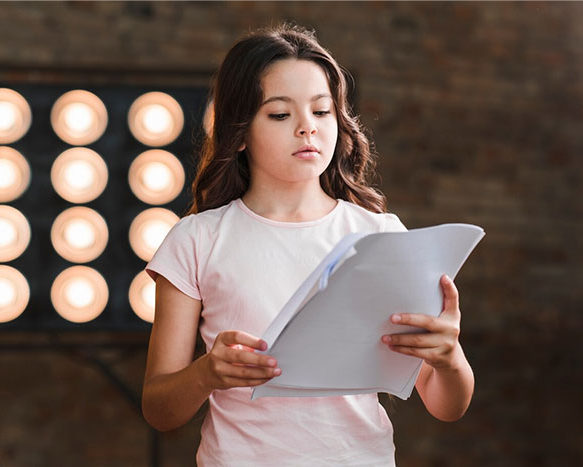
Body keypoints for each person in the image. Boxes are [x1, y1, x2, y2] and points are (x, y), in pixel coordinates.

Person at [142, 23, 474, 466]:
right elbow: (159, 409)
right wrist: (206, 374)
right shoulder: (196, 239)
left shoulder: (380, 235)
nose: (307, 129)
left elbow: (446, 406)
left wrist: (449, 358)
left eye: (321, 112)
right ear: (239, 132)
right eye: (280, 115)